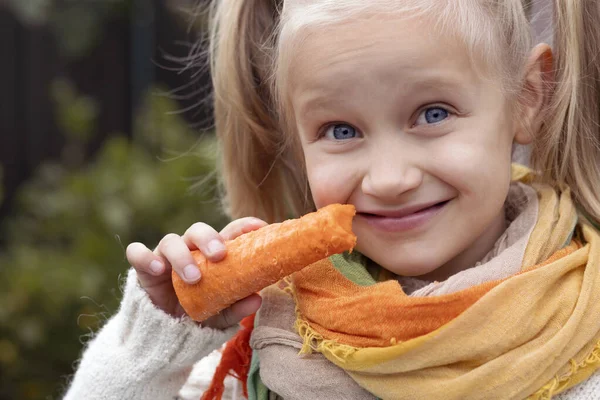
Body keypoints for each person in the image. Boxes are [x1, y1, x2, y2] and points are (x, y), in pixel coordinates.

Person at [63, 0, 600, 399]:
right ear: (296, 143)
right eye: (341, 130)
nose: (388, 179)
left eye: (433, 114)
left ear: (528, 97)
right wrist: (158, 339)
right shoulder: (272, 329)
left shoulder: (584, 337)